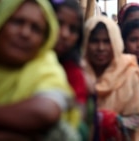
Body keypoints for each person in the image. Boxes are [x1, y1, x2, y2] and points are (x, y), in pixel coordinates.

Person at [0, 0, 80, 140]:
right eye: (17, 22)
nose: (25, 33)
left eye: (36, 28)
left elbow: (45, 111)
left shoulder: (45, 67)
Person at [81, 16, 139, 141]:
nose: (101, 48)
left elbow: (138, 120)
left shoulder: (129, 72)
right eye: (94, 41)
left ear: (115, 42)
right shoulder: (77, 71)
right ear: (85, 42)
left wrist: (111, 120)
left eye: (107, 41)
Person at [49, 0, 89, 140]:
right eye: (59, 23)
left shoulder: (74, 72)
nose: (65, 34)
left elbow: (78, 119)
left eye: (73, 29)